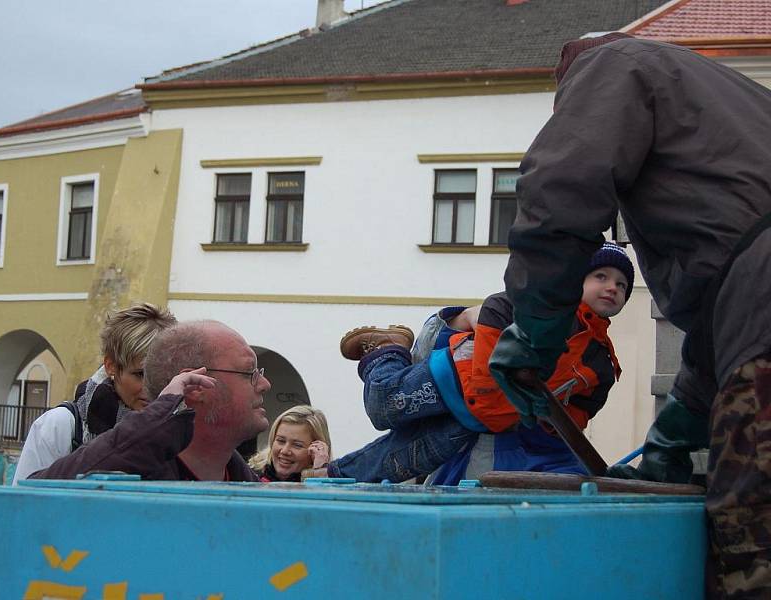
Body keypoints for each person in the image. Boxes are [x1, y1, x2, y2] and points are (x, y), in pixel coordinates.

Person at [487, 33, 771, 599]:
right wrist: (677, 426)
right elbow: (732, 303)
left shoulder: (611, 66)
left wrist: (538, 327)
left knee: (751, 539)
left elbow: (559, 194)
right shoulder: (736, 105)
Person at [322, 242, 632, 483]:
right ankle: (390, 347)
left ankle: (333, 475)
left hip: (484, 419)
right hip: (453, 379)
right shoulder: (545, 308)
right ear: (577, 280)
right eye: (600, 276)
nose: (611, 287)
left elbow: (582, 407)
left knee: (411, 455)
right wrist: (485, 385)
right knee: (383, 406)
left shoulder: (602, 359)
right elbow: (495, 307)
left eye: (621, 285)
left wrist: (550, 427)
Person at [29, 320, 270, 482]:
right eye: (249, 373)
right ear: (196, 386)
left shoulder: (242, 478)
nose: (264, 384)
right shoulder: (132, 480)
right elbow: (31, 497)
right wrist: (158, 416)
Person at [13, 302, 177, 483]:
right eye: (140, 374)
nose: (150, 387)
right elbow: (23, 503)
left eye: (160, 376)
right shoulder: (60, 425)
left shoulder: (178, 427)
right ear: (111, 366)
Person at [249, 405, 332, 482]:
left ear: (317, 450)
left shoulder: (334, 484)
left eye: (297, 445)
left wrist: (319, 471)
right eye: (281, 441)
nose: (284, 451)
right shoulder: (248, 475)